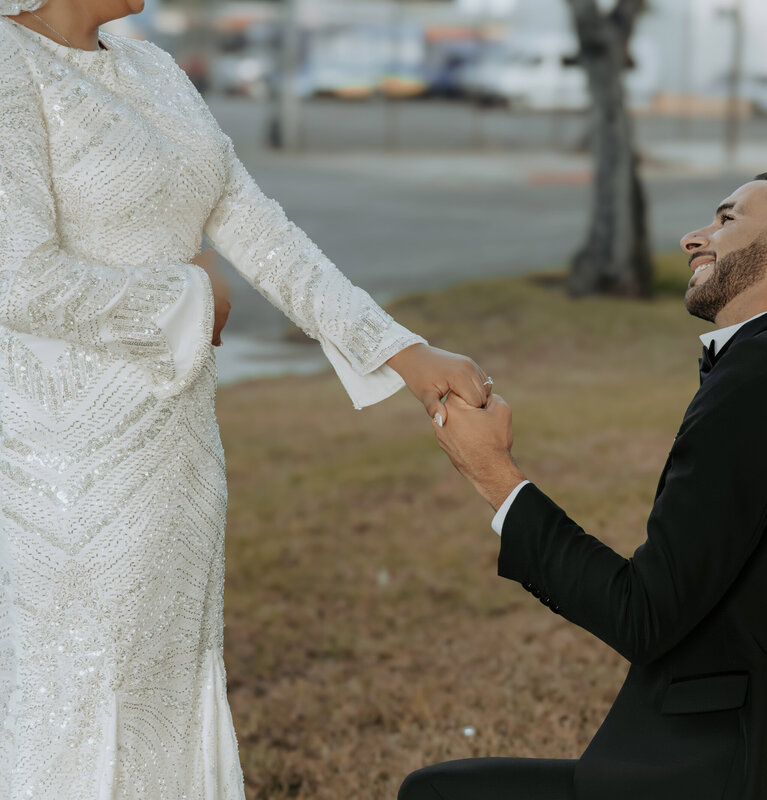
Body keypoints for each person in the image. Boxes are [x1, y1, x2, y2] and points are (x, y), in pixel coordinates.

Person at [0, 1, 490, 797]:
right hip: (69, 461)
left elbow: (258, 227)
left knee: (169, 670)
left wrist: (400, 350)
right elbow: (17, 279)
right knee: (90, 683)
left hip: (175, 449)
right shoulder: (7, 65)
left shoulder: (151, 66)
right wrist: (186, 294)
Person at [418, 173, 767, 799]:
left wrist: (494, 474)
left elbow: (642, 614)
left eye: (726, 220)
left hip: (746, 770)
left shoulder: (765, 374)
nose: (693, 237)